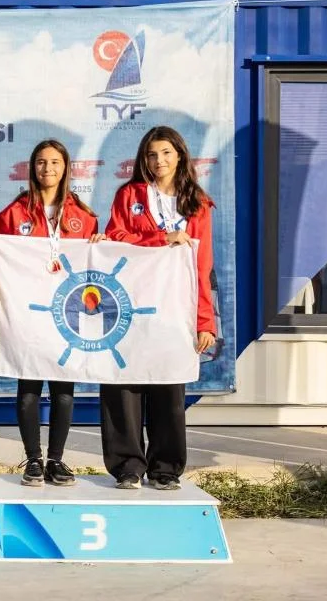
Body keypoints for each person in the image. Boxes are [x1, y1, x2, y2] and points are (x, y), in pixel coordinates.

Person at [102, 125, 217, 490]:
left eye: (166, 153)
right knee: (124, 386)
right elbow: (115, 238)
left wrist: (205, 321)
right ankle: (127, 466)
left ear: (180, 156)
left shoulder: (197, 203)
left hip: (174, 309)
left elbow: (202, 266)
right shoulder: (130, 195)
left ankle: (165, 468)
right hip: (129, 305)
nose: (159, 161)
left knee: (168, 387)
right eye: (152, 155)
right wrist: (160, 238)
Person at [0, 139, 104, 487]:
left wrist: (99, 247)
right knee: (28, 385)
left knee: (63, 387)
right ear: (33, 167)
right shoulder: (12, 215)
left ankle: (56, 459)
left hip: (65, 313)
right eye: (41, 162)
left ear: (66, 167)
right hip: (26, 314)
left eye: (55, 162)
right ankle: (33, 459)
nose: (48, 168)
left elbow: (93, 268)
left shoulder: (83, 217)